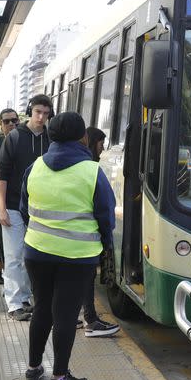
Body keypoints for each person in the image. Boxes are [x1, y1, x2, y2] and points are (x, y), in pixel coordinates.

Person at [19, 112, 115, 380]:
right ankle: (60, 378)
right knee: (64, 315)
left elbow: (25, 209)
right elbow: (106, 216)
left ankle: (34, 369)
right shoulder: (91, 171)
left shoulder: (35, 167)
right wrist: (105, 244)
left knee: (42, 309)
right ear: (83, 137)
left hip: (37, 252)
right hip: (77, 256)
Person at [0, 95, 53, 321]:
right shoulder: (14, 137)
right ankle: (14, 304)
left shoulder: (51, 139)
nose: (41, 117)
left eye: (46, 113)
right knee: (13, 255)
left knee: (32, 256)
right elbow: (2, 175)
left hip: (40, 208)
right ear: (30, 110)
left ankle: (25, 298)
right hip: (12, 205)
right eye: (38, 112)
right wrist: (1, 208)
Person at [77, 126, 120, 337]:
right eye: (101, 145)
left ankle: (78, 317)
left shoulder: (44, 165)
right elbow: (105, 207)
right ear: (91, 143)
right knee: (86, 278)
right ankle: (90, 320)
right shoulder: (91, 169)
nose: (103, 150)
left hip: (57, 240)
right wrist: (106, 236)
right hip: (86, 236)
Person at [0, 108, 19, 285]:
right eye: (6, 121)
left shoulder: (24, 140)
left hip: (20, 199)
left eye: (14, 121)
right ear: (0, 125)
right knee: (1, 237)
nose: (11, 124)